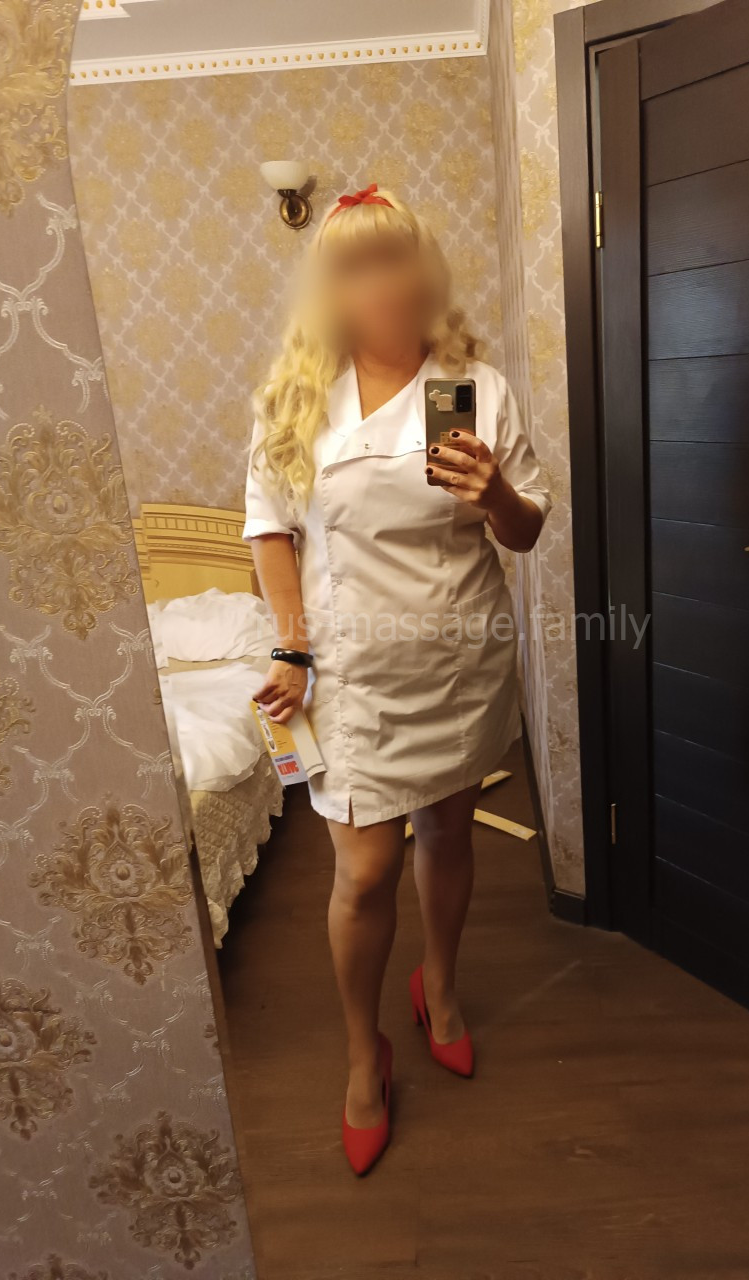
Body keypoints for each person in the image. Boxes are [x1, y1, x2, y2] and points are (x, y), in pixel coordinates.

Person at [243, 183, 550, 1175]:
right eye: (354, 265)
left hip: (457, 661)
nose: (378, 282)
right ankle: (360, 1051)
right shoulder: (296, 398)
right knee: (366, 870)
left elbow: (524, 532)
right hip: (354, 674)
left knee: (451, 834)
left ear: (422, 272)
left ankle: (440, 987)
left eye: (393, 258)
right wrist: (290, 647)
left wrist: (496, 494)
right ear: (329, 287)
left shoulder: (475, 388)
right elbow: (269, 530)